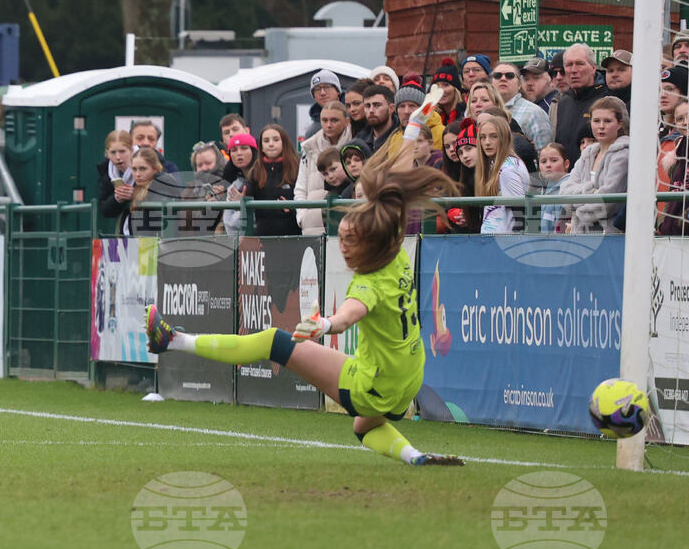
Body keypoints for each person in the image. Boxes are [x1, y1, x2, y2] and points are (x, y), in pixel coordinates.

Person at [143, 94, 464, 467]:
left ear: (367, 243)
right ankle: (417, 458)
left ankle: (173, 340)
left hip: (374, 384)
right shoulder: (395, 251)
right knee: (364, 427)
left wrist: (325, 323)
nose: (341, 244)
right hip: (407, 376)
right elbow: (399, 174)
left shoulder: (368, 284)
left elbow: (348, 315)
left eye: (347, 239)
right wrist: (414, 125)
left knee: (272, 342)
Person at [561, 97, 630, 234]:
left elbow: (608, 201)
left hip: (611, 236)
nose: (601, 126)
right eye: (596, 121)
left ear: (620, 124)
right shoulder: (588, 153)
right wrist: (591, 190)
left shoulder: (624, 153)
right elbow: (564, 192)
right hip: (580, 234)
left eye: (608, 121)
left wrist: (578, 212)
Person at [297, 100, 352, 234]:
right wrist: (302, 216)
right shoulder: (309, 148)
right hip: (313, 225)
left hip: (350, 225)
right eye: (324, 120)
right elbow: (300, 188)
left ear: (347, 121)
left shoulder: (356, 145)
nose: (328, 125)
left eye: (334, 120)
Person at [552, 43, 609, 167]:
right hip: (567, 181)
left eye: (579, 64)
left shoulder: (607, 100)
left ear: (593, 68)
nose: (573, 70)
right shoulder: (563, 102)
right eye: (568, 65)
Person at [475, 116, 529, 234]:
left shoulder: (507, 169)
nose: (487, 142)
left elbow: (520, 212)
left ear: (504, 138)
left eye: (494, 136)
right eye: (483, 137)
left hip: (503, 241)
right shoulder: (497, 165)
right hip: (493, 239)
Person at [245, 124, 300, 236]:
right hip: (263, 236)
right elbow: (247, 197)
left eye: (276, 140)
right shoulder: (256, 170)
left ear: (284, 142)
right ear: (261, 146)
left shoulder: (297, 167)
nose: (271, 144)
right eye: (266, 141)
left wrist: (291, 208)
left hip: (293, 235)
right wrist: (241, 198)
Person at [490, 62, 551, 151]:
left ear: (519, 85)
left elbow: (543, 152)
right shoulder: (483, 109)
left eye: (509, 75)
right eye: (497, 75)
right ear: (491, 83)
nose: (503, 79)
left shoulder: (534, 113)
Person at [444, 119, 482, 233]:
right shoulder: (463, 176)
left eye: (468, 149)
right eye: (460, 152)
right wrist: (453, 213)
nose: (465, 156)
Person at [219, 132, 258, 235]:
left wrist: (244, 206)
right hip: (238, 244)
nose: (239, 153)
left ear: (253, 151)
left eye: (244, 148)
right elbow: (228, 222)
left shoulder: (263, 178)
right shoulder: (234, 185)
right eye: (234, 150)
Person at [98, 130, 134, 231]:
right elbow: (104, 210)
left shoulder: (147, 162)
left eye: (122, 151)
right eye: (113, 152)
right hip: (124, 232)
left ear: (131, 151)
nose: (118, 157)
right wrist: (117, 198)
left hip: (150, 232)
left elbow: (162, 193)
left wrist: (136, 195)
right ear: (107, 153)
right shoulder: (106, 171)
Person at [536, 143, 571, 234]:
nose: (548, 165)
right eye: (543, 161)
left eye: (554, 160)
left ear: (566, 164)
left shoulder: (570, 189)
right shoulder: (543, 190)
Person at [356, 85, 399, 157]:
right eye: (367, 106)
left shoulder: (402, 139)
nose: (371, 110)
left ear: (391, 108)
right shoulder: (359, 141)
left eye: (377, 105)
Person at [305, 69, 342, 140]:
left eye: (327, 87)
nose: (322, 93)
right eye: (317, 89)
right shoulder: (312, 132)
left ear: (337, 91)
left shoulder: (354, 117)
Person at [431, 58, 465, 124]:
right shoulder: (431, 116)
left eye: (446, 85)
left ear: (456, 89)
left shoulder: (464, 114)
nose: (440, 90)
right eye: (437, 86)